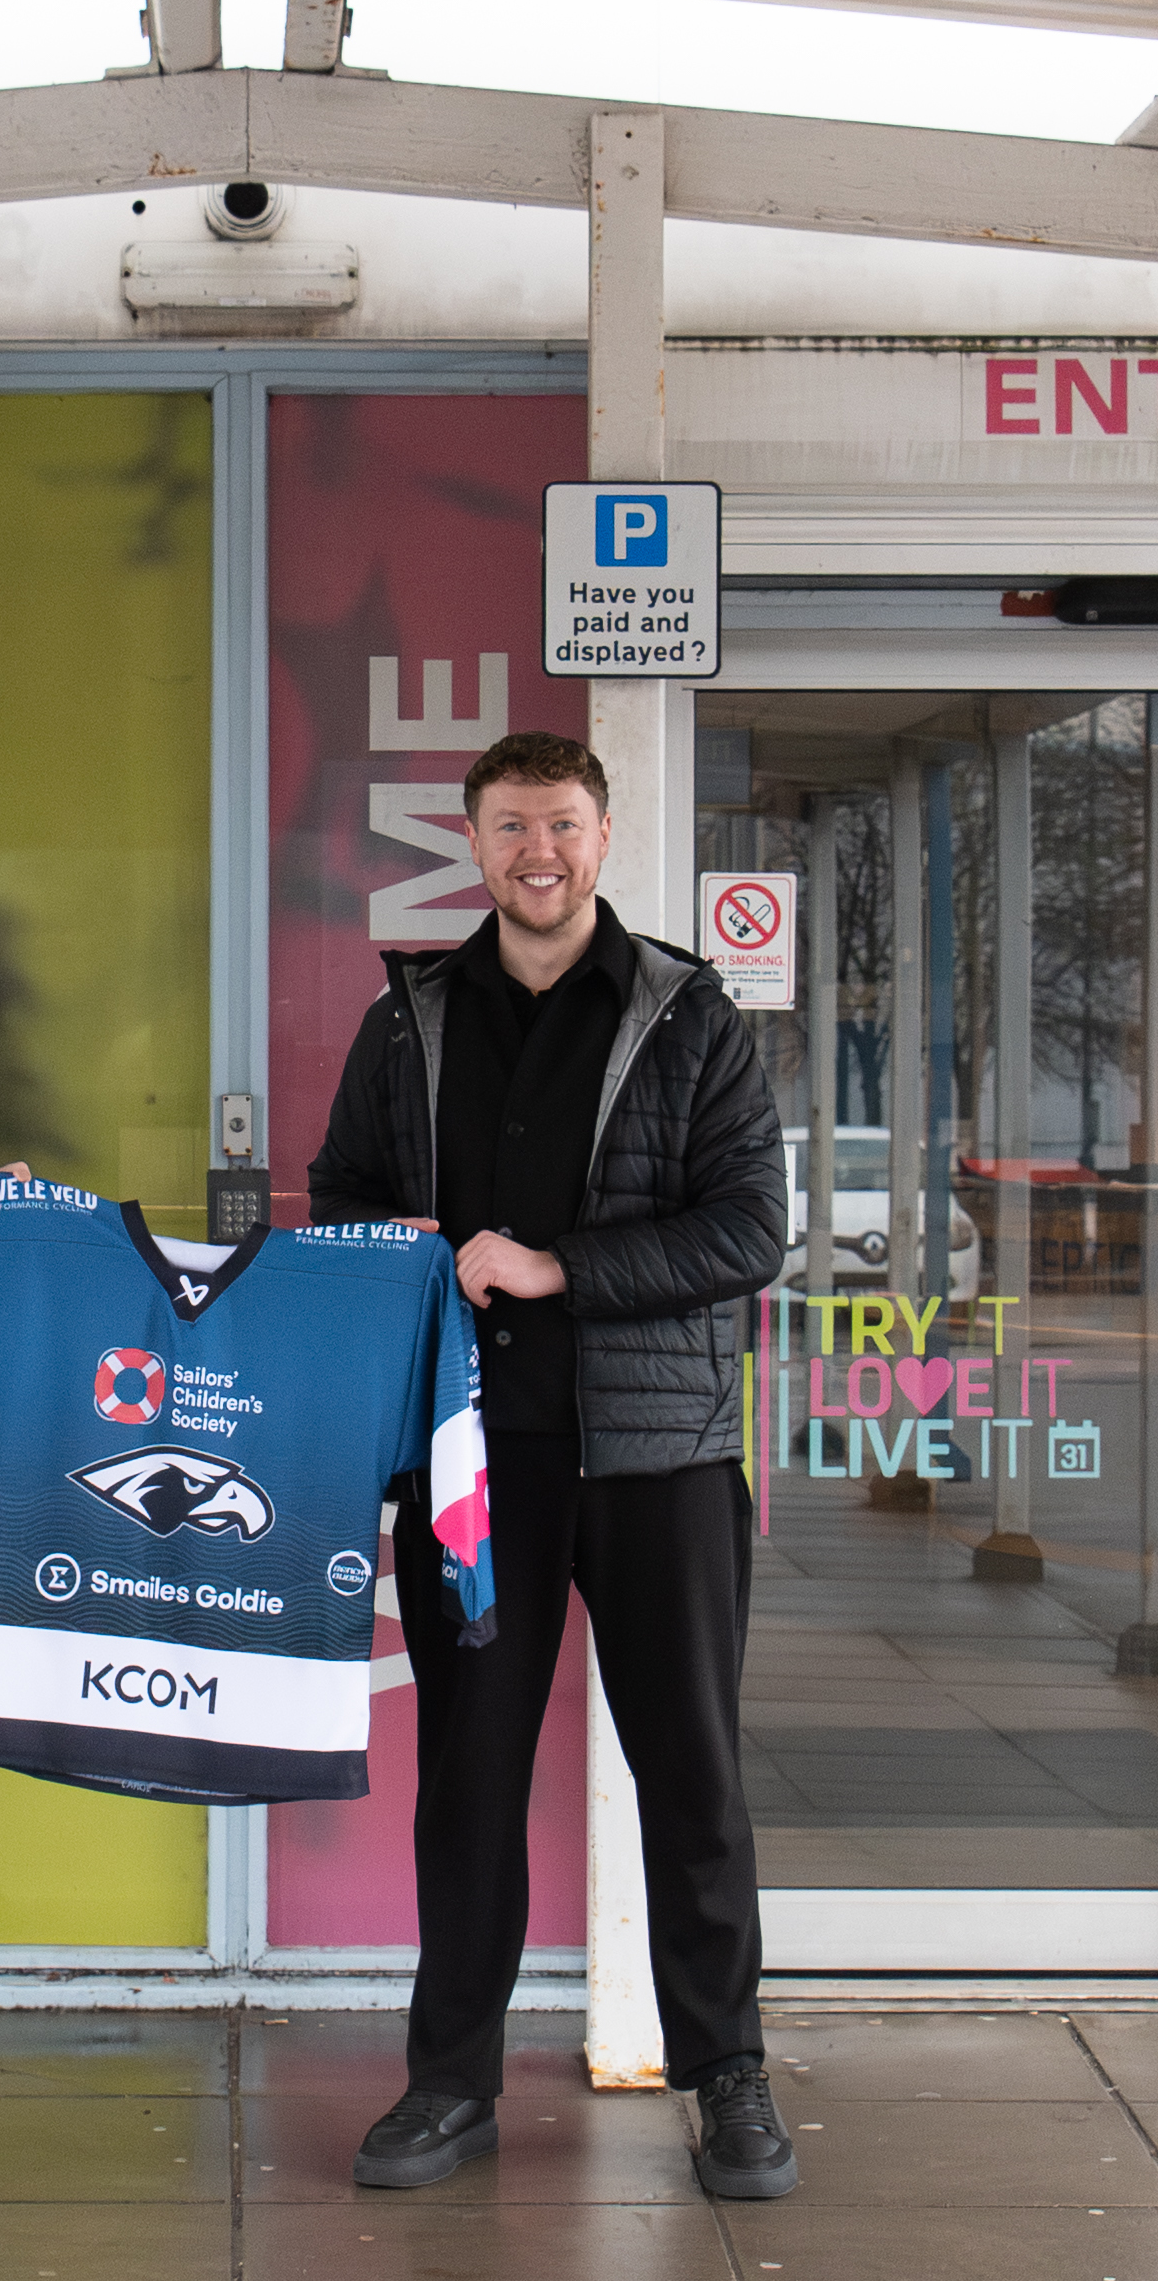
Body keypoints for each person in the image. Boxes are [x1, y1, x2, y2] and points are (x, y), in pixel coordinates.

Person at [307, 729, 796, 2198]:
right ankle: (448, 2082)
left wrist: (550, 1267)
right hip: (470, 1466)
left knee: (690, 1776)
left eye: (563, 823)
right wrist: (419, 1264)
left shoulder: (688, 1014)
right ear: (471, 840)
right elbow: (343, 1198)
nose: (537, 849)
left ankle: (727, 2077)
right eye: (510, 823)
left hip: (659, 1459)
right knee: (467, 1778)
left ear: (601, 836)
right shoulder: (409, 1020)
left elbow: (745, 1231)